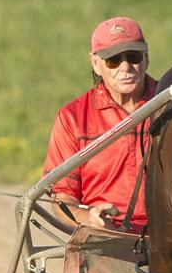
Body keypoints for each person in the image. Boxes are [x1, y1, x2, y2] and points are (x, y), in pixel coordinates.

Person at [43, 17, 157, 232]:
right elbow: (62, 195)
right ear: (96, 64)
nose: (126, 68)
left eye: (133, 57)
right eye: (113, 60)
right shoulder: (73, 118)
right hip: (104, 235)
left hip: (169, 236)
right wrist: (88, 217)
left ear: (146, 58)